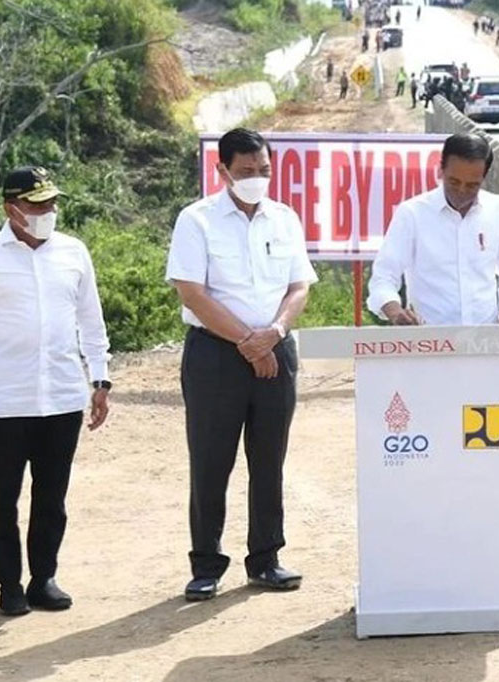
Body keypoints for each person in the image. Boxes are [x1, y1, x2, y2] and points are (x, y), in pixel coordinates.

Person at [166, 128, 318, 601]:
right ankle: (206, 563)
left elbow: (299, 286)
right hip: (215, 354)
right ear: (223, 171)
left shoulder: (284, 218)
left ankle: (266, 558)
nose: (257, 179)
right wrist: (247, 343)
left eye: (264, 170)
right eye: (246, 171)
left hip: (276, 350)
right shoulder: (198, 220)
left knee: (269, 459)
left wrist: (272, 334)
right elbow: (192, 291)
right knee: (211, 461)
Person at [0, 166, 111, 616]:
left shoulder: (73, 252)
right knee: (2, 496)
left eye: (52, 203)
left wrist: (100, 380)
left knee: (52, 496)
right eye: (38, 205)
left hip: (61, 395)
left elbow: (91, 322)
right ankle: (8, 584)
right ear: (12, 209)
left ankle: (44, 578)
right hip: (5, 399)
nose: (49, 212)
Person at [367, 133, 499, 326]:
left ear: (484, 178)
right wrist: (396, 313)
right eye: (454, 182)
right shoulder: (412, 214)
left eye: (472, 185)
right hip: (429, 343)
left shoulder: (498, 212)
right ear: (441, 170)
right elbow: (383, 277)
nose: (461, 191)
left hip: (487, 342)